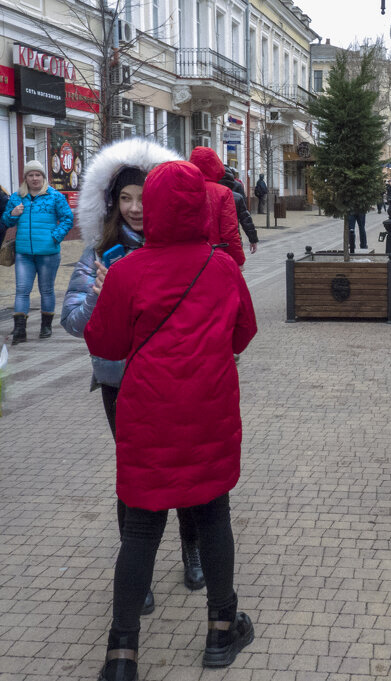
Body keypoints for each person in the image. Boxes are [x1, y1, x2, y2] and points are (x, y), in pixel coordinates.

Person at [85, 160, 258, 681]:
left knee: (140, 529)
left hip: (148, 415)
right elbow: (243, 333)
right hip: (208, 410)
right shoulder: (222, 266)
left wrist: (102, 301)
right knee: (212, 516)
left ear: (154, 209)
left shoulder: (127, 271)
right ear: (203, 208)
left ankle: (121, 656)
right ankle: (221, 632)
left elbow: (107, 345)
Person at [61, 138, 205, 615]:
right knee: (133, 475)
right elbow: (73, 322)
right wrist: (102, 295)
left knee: (184, 466)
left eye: (144, 196)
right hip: (120, 382)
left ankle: (193, 547)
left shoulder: (185, 251)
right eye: (125, 198)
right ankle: (136, 573)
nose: (136, 208)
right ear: (111, 202)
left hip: (176, 382)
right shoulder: (101, 254)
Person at [2, 160, 74, 344]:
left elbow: (67, 218)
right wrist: (13, 214)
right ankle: (19, 330)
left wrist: (55, 237)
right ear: (25, 178)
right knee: (22, 290)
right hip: (23, 252)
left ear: (43, 177)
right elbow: (6, 221)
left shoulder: (54, 196)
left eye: (38, 175)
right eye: (31, 175)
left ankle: (46, 326)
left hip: (48, 253)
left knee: (46, 290)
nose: (34, 178)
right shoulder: (17, 197)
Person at [189, 147, 246, 266]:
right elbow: (229, 232)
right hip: (216, 257)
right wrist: (238, 260)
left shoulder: (184, 189)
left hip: (187, 259)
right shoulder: (223, 192)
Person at [220, 167, 259, 254]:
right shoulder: (237, 196)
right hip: (234, 235)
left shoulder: (209, 193)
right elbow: (246, 218)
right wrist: (253, 239)